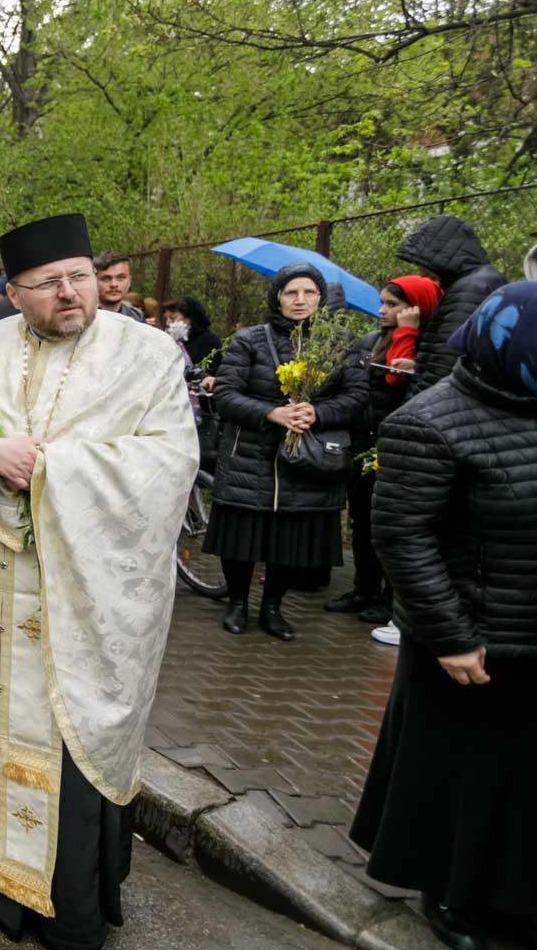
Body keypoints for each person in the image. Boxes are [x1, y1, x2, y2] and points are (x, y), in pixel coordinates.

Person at [0, 213, 199, 950]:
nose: (70, 293)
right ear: (14, 291)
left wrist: (55, 471)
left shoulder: (149, 355)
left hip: (79, 594)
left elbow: (170, 467)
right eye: (48, 284)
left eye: (80, 275)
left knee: (68, 740)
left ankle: (68, 911)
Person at [352, 282, 537, 950]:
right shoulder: (428, 421)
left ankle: (518, 898)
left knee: (525, 780)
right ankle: (452, 892)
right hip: (470, 639)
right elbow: (403, 537)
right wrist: (452, 636)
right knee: (465, 778)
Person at [205, 263, 369, 641]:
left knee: (288, 537)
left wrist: (317, 412)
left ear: (320, 298)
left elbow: (357, 395)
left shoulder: (340, 342)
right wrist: (271, 412)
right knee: (243, 536)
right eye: (291, 292)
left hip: (307, 458)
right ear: (276, 297)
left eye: (309, 293)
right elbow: (227, 394)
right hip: (251, 454)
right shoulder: (249, 340)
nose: (300, 300)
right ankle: (238, 604)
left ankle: (273, 608)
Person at [326, 276, 442, 635]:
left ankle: (391, 597)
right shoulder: (369, 341)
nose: (382, 311)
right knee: (361, 522)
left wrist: (407, 332)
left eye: (392, 305)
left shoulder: (430, 346)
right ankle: (364, 587)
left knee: (390, 527)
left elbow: (397, 379)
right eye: (382, 303)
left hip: (398, 449)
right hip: (364, 444)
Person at [396, 214, 505, 398]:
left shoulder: (469, 290)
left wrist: (416, 406)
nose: (420, 271)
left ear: (438, 254)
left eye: (422, 263)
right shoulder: (475, 282)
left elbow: (444, 362)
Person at [159, 295, 222, 371]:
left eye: (173, 318)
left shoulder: (209, 341)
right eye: (166, 319)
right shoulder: (172, 341)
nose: (167, 323)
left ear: (190, 318)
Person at [93, 251, 145, 321]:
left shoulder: (137, 316)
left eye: (120, 278)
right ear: (93, 281)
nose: (114, 284)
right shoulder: (84, 317)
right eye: (106, 279)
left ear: (129, 281)